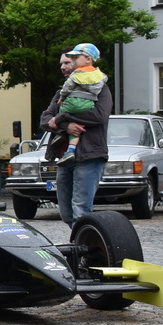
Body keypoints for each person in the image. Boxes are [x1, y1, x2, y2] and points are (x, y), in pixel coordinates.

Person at [39, 43, 111, 227]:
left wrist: (62, 117)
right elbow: (45, 119)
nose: (63, 66)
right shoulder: (61, 93)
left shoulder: (100, 88)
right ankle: (79, 242)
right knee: (65, 212)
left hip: (90, 156)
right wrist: (66, 125)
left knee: (81, 210)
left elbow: (98, 116)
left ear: (80, 62)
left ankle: (82, 250)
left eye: (67, 62)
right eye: (61, 63)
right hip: (64, 158)